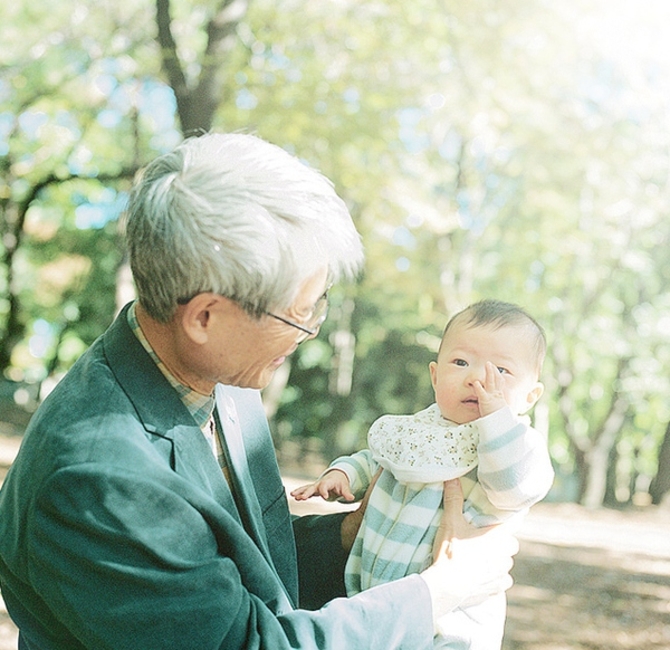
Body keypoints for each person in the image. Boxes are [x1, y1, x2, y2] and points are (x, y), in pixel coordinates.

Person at [0, 133, 518, 650]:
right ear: (205, 316)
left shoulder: (222, 376)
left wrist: (348, 538)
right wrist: (437, 592)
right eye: (296, 312)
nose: (307, 332)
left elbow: (221, 564)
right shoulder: (100, 482)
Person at [293, 299, 554, 649]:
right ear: (435, 375)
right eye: (461, 362)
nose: (477, 378)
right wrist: (344, 472)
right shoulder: (419, 428)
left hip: (453, 621)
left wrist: (496, 421)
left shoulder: (518, 446)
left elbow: (514, 488)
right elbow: (377, 458)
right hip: (374, 595)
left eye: (501, 372)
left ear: (531, 396)